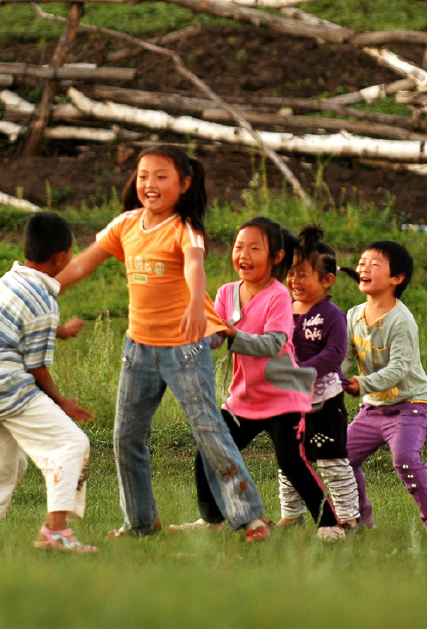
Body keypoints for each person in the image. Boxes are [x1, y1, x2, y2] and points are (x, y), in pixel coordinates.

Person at [54, 145, 271, 542]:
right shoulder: (125, 225)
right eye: (143, 176)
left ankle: (249, 517)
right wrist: (42, 288)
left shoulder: (183, 229)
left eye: (161, 176)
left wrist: (194, 305)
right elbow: (83, 263)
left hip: (185, 347)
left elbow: (194, 265)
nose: (149, 184)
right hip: (139, 348)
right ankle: (140, 521)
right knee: (126, 435)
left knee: (208, 429)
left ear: (184, 184)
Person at [170, 217, 341, 540]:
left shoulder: (278, 296)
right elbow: (216, 338)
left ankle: (329, 523)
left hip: (283, 395)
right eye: (238, 247)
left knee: (291, 460)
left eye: (254, 248)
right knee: (210, 449)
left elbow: (273, 343)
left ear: (276, 257)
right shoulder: (225, 293)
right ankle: (212, 519)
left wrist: (233, 334)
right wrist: (195, 337)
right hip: (243, 398)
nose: (243, 255)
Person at [0, 211, 97, 553]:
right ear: (61, 257)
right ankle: (56, 532)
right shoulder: (44, 301)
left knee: (2, 466)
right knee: (71, 444)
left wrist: (59, 331)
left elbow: (19, 324)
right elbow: (37, 368)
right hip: (10, 387)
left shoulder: (9, 280)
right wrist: (62, 402)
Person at [344, 240, 427, 535]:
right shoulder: (353, 315)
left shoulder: (401, 320)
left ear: (397, 278)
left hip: (411, 406)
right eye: (361, 262)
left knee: (405, 460)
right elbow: (344, 360)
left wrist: (360, 383)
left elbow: (399, 369)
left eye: (374, 264)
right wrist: (322, 378)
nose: (363, 267)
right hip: (372, 409)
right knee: (342, 458)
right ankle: (357, 519)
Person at [277, 225, 361, 535]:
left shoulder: (331, 314)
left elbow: (335, 354)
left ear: (327, 281)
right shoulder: (283, 308)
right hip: (288, 399)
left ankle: (350, 517)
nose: (294, 281)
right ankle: (291, 514)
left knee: (331, 461)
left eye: (303, 274)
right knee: (289, 460)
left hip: (324, 400)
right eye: (292, 273)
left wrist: (300, 372)